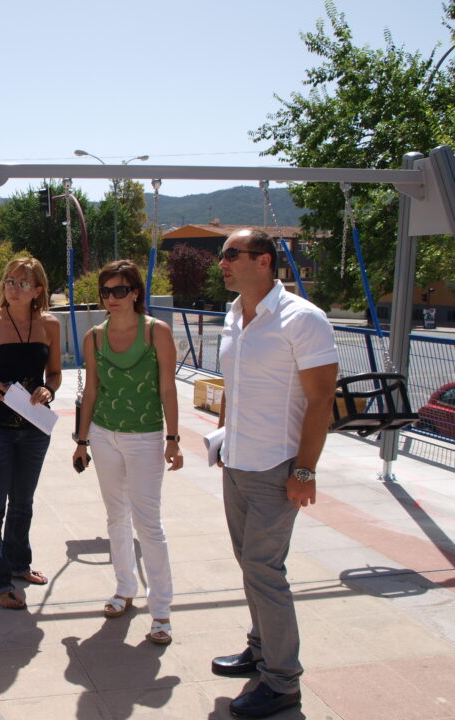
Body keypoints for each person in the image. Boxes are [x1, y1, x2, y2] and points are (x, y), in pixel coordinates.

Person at [211, 228, 338, 719]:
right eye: (222, 254)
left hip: (276, 466)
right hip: (237, 461)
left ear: (263, 260)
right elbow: (234, 386)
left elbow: (321, 399)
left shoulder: (302, 319)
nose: (222, 262)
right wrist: (222, 439)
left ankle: (283, 682)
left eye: (231, 254)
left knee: (265, 571)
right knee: (250, 565)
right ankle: (261, 649)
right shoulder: (233, 315)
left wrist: (305, 470)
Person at [71, 260, 182, 644]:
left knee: (148, 524)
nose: (111, 298)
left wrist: (173, 438)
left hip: (145, 436)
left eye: (119, 290)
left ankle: (161, 609)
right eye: (105, 291)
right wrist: (82, 441)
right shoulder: (94, 337)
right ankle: (124, 588)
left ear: (135, 292)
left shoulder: (156, 332)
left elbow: (167, 388)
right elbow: (91, 390)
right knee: (116, 517)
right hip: (104, 435)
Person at [0, 258, 61, 610]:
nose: (13, 288)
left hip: (35, 427)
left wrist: (49, 390)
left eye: (22, 283)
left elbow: (55, 373)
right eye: (9, 280)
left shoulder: (50, 324)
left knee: (23, 502)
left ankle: (19, 565)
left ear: (37, 290)